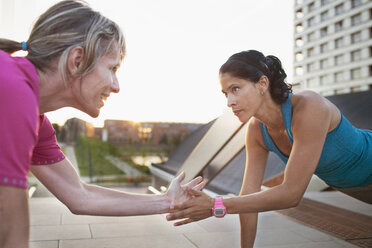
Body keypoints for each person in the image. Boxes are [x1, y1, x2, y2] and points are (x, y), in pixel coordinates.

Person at [0, 1, 205, 248]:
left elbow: (80, 196)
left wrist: (166, 200)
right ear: (77, 60)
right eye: (112, 68)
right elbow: (10, 235)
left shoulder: (35, 117)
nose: (116, 86)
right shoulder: (11, 90)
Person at [166, 50, 372, 247]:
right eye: (225, 93)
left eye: (235, 89)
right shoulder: (256, 132)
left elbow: (291, 194)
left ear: (262, 83)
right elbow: (248, 196)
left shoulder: (309, 107)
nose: (229, 102)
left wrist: (215, 205)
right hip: (359, 189)